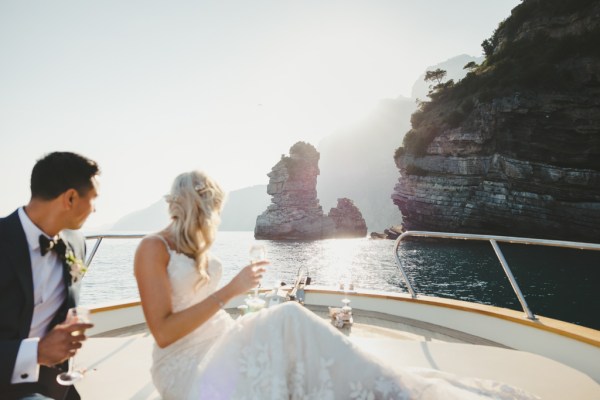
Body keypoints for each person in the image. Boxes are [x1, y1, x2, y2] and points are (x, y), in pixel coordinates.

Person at [134, 170, 538, 400]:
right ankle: (387, 390)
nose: (214, 219)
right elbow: (164, 332)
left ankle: (384, 386)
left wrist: (237, 296)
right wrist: (231, 291)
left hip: (221, 340)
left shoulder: (195, 247)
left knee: (284, 321)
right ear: (199, 206)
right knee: (288, 318)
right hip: (185, 367)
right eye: (213, 210)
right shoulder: (152, 248)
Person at [0, 152, 99, 400]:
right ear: (71, 198)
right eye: (93, 199)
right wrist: (36, 352)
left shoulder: (76, 243)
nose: (95, 209)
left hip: (51, 385)